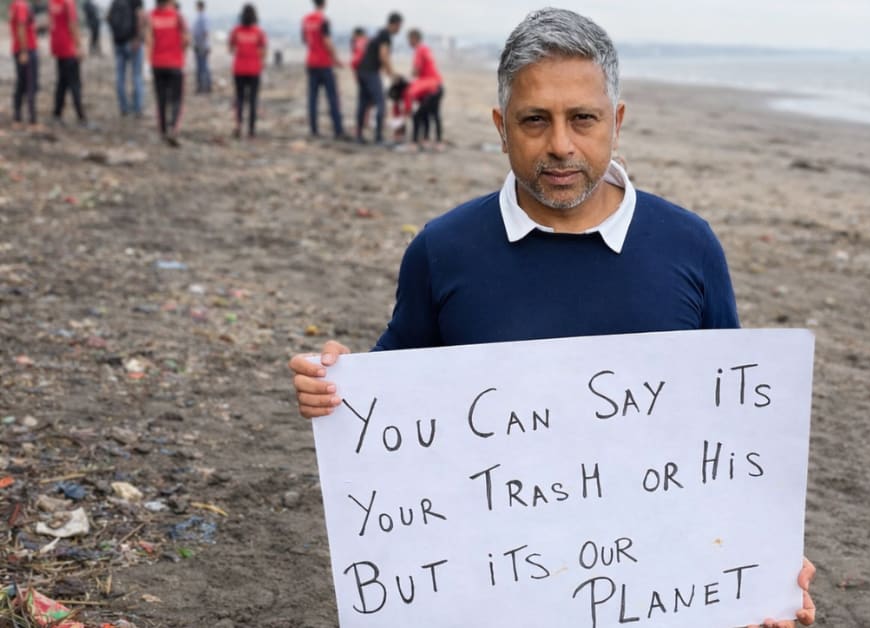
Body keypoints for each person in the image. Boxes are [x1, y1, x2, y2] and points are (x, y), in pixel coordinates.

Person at [287, 8, 816, 626]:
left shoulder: (689, 245)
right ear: (501, 127)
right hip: (495, 588)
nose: (560, 144)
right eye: (535, 120)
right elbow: (394, 402)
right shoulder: (445, 249)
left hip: (654, 590)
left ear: (616, 123)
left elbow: (732, 437)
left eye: (583, 119)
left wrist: (759, 567)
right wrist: (334, 385)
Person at [144, 0, 188, 145]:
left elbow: (149, 40)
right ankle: (173, 128)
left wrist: (147, 63)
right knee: (176, 99)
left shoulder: (151, 16)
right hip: (175, 63)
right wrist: (180, 50)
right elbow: (186, 39)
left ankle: (162, 130)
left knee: (161, 98)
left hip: (158, 63)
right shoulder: (178, 16)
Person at [354, 11, 401, 145]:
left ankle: (359, 135)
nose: (399, 29)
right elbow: (383, 56)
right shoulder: (385, 35)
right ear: (395, 24)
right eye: (399, 26)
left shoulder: (380, 33)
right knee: (381, 103)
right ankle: (378, 137)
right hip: (370, 72)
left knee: (363, 103)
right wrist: (392, 74)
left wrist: (388, 72)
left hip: (362, 71)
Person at [301, 0, 345, 139]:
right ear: (324, 3)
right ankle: (338, 130)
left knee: (313, 98)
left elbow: (304, 39)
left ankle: (314, 130)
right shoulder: (323, 20)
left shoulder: (306, 20)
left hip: (311, 61)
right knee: (332, 97)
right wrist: (336, 58)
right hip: (324, 62)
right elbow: (327, 41)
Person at [48, 0, 89, 126]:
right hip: (69, 48)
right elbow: (72, 24)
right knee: (75, 84)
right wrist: (79, 46)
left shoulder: (52, 3)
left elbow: (52, 23)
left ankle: (57, 113)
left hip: (58, 47)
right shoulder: (68, 3)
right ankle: (81, 116)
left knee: (62, 82)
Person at [229, 2, 266, 138]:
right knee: (253, 99)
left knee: (239, 98)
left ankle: (238, 125)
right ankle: (251, 130)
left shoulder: (236, 31)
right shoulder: (258, 32)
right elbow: (262, 52)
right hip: (254, 69)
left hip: (239, 68)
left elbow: (231, 49)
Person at [403, 28, 442, 150]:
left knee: (417, 115)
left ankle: (414, 143)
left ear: (414, 38)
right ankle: (433, 142)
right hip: (438, 86)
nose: (408, 42)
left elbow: (416, 70)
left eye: (409, 39)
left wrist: (409, 80)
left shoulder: (419, 50)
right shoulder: (426, 49)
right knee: (433, 115)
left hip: (431, 88)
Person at [106, 0, 145, 116]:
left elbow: (108, 17)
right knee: (137, 76)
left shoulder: (115, 2)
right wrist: (138, 38)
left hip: (118, 42)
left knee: (120, 77)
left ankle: (124, 107)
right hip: (133, 42)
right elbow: (141, 17)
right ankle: (137, 108)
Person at [9, 0, 39, 126]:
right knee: (30, 84)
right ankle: (32, 118)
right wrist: (24, 51)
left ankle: (17, 115)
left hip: (21, 48)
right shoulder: (21, 5)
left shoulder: (15, 4)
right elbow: (21, 26)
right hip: (26, 50)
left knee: (21, 83)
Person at [191, 0, 210, 93]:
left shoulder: (203, 17)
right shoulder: (199, 17)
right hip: (200, 44)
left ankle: (204, 87)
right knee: (201, 66)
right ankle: (203, 86)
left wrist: (201, 44)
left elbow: (205, 32)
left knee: (202, 67)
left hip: (201, 45)